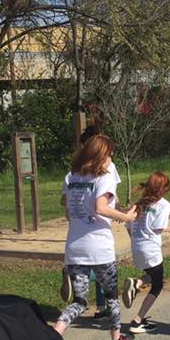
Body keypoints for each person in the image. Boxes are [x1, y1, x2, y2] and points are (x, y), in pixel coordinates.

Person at [54, 134, 137, 340]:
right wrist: (126, 217)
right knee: (111, 297)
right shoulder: (105, 176)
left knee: (79, 302)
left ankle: (54, 335)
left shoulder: (73, 176)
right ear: (101, 155)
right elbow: (101, 207)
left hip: (74, 247)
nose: (111, 158)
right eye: (109, 154)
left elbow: (67, 208)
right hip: (99, 247)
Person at [60, 124, 122, 318]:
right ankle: (113, 329)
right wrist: (122, 214)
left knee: (88, 263)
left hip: (76, 234)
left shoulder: (74, 172)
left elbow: (65, 201)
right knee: (103, 266)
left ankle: (98, 306)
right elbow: (105, 199)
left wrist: (74, 208)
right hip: (98, 228)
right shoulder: (107, 167)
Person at [122, 171, 170, 333]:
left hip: (136, 247)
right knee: (158, 284)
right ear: (162, 189)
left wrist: (135, 241)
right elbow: (157, 227)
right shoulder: (163, 204)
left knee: (152, 274)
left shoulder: (139, 204)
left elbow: (128, 225)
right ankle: (138, 320)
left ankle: (138, 283)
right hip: (151, 249)